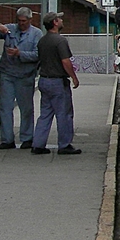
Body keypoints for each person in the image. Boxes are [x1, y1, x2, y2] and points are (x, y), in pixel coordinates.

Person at [0, 7, 43, 150]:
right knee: (5, 107)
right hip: (7, 73)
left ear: (30, 20)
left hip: (25, 75)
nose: (21, 24)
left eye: (24, 21)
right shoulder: (10, 29)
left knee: (26, 108)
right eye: (19, 21)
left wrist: (20, 54)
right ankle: (7, 139)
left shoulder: (36, 34)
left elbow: (38, 55)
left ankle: (27, 138)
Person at [32, 11, 82, 155]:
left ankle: (38, 144)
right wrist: (73, 77)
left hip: (44, 80)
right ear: (54, 22)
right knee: (64, 114)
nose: (61, 20)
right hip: (57, 82)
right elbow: (65, 61)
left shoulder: (43, 40)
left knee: (45, 114)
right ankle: (64, 144)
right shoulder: (60, 41)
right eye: (59, 19)